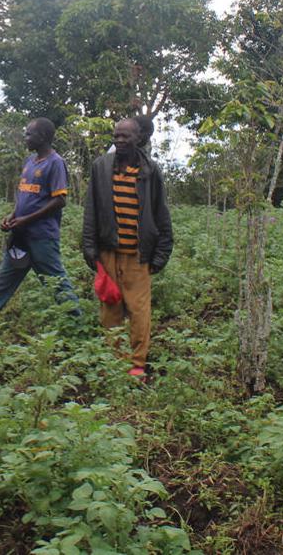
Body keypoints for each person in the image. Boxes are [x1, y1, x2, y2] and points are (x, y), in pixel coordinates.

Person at [82, 117, 173, 379]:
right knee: (110, 306)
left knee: (138, 309)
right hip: (108, 251)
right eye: (116, 136)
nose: (119, 140)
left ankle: (137, 363)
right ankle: (114, 360)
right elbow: (92, 209)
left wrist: (162, 252)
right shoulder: (101, 167)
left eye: (125, 137)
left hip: (138, 254)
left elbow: (160, 212)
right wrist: (89, 246)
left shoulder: (150, 171)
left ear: (139, 140)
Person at [0, 117, 80, 321]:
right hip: (20, 236)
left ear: (43, 137)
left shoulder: (56, 163)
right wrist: (12, 217)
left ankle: (77, 323)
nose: (26, 138)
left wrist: (27, 219)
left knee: (57, 282)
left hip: (42, 237)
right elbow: (25, 195)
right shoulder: (29, 162)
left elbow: (59, 200)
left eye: (29, 134)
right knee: (2, 283)